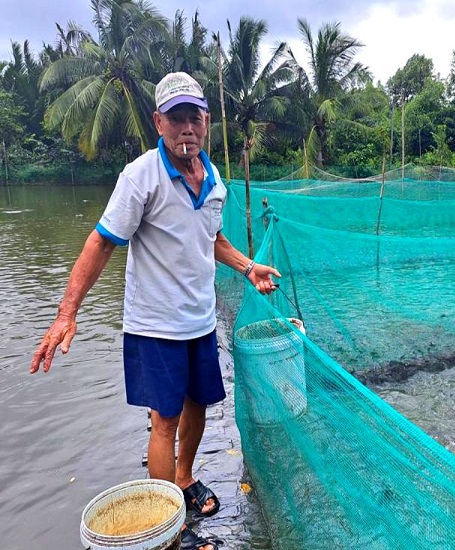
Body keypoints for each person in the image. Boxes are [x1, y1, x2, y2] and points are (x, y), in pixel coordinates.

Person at [30, 72, 279, 550]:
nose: (187, 128)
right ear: (158, 122)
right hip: (155, 326)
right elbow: (102, 241)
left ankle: (183, 481)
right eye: (177, 119)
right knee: (164, 420)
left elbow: (212, 239)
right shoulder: (140, 176)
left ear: (206, 123)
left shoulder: (213, 178)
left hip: (200, 321)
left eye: (195, 118)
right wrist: (67, 312)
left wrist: (248, 268)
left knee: (199, 406)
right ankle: (174, 528)